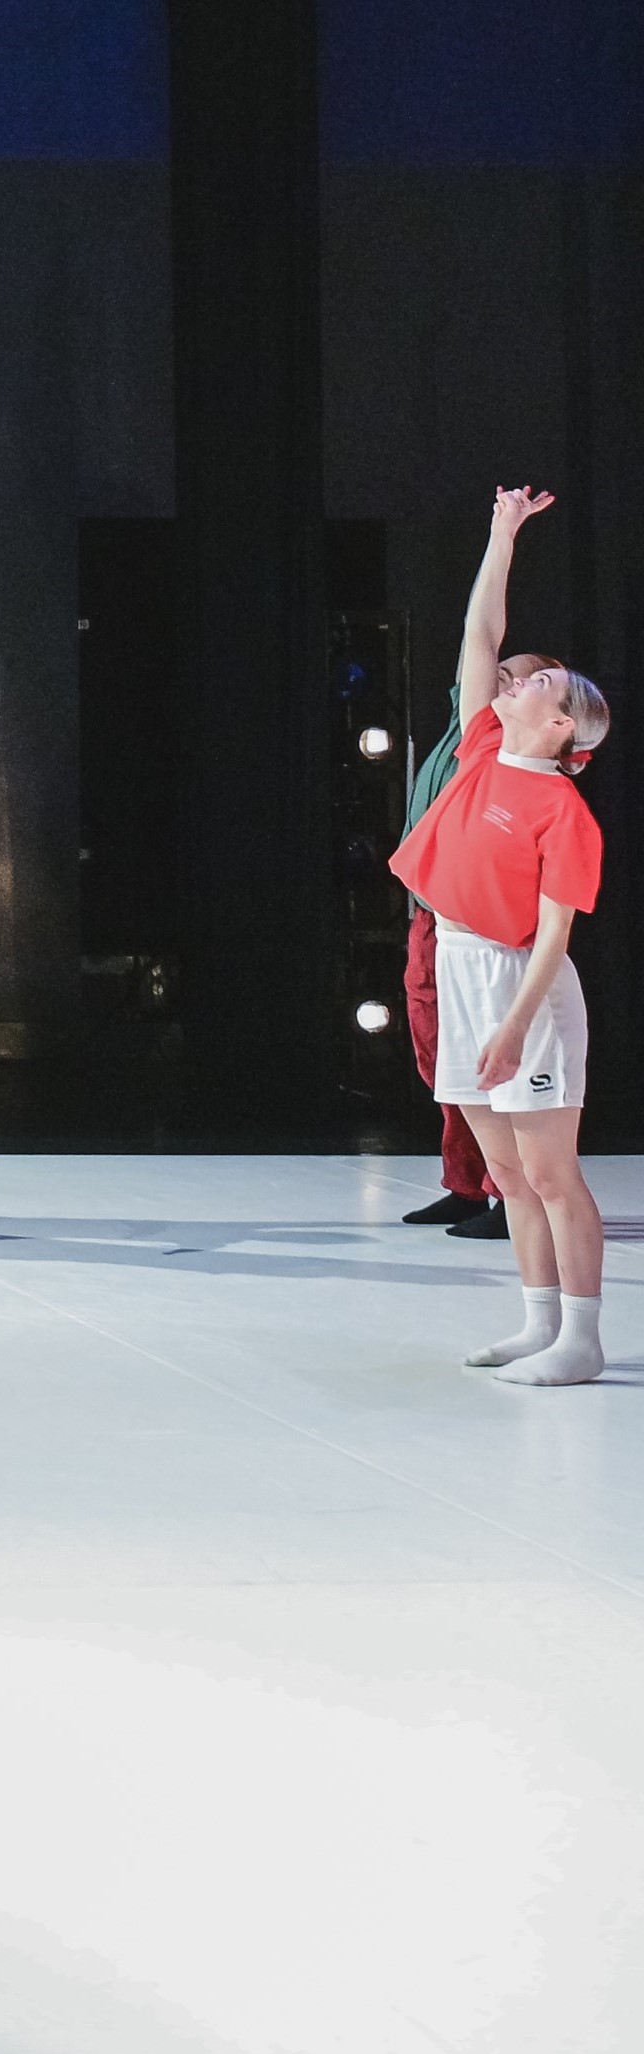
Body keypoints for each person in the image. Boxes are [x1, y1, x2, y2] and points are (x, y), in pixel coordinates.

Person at [390, 487, 610, 1385]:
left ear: (563, 727)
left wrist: (515, 1027)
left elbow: (554, 938)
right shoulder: (482, 746)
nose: (518, 681)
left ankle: (583, 1339)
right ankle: (536, 1322)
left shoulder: (565, 810)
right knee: (506, 1173)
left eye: (542, 685)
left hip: (525, 986)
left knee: (552, 1173)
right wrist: (500, 533)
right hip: (460, 962)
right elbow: (482, 636)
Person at [393, 653, 555, 1242]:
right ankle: (466, 1184)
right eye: (502, 672)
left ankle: (508, 1196)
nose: (505, 681)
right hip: (429, 921)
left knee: (488, 1068)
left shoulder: (493, 745)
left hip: (478, 934)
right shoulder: (462, 735)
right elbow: (474, 645)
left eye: (526, 678)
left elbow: (481, 633)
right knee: (443, 1063)